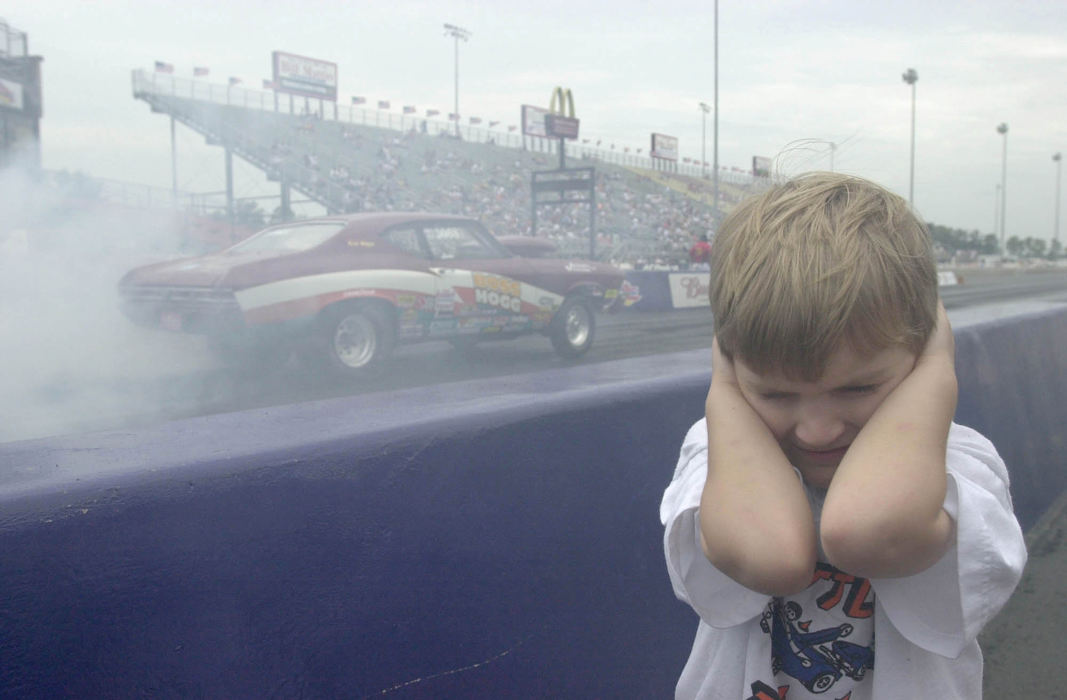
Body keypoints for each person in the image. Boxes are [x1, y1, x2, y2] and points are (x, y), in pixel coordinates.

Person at [660, 172, 1026, 699]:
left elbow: (867, 531)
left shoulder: (962, 466)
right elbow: (774, 559)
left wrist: (939, 368)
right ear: (732, 368)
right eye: (777, 395)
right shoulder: (717, 450)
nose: (818, 428)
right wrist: (724, 386)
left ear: (921, 356)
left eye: (857, 388)